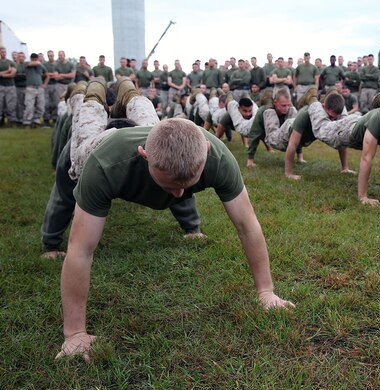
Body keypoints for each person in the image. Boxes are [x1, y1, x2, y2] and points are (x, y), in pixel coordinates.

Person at [55, 78, 294, 362]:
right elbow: (81, 249)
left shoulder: (217, 155)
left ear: (204, 152)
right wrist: (74, 334)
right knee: (88, 123)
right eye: (170, 187)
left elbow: (247, 225)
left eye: (187, 185)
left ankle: (129, 91)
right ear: (145, 156)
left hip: (153, 132)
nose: (179, 194)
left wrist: (266, 291)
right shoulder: (104, 164)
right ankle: (94, 90)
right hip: (98, 144)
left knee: (148, 118)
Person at [0, 46, 18, 126]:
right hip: (1, 86)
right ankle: (1, 121)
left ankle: (12, 121)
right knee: (0, 104)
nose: (3, 53)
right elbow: (10, 72)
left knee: (11, 104)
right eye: (1, 52)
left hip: (10, 86)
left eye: (4, 51)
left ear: (6, 52)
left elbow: (13, 74)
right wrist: (7, 71)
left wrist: (2, 74)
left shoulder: (11, 62)